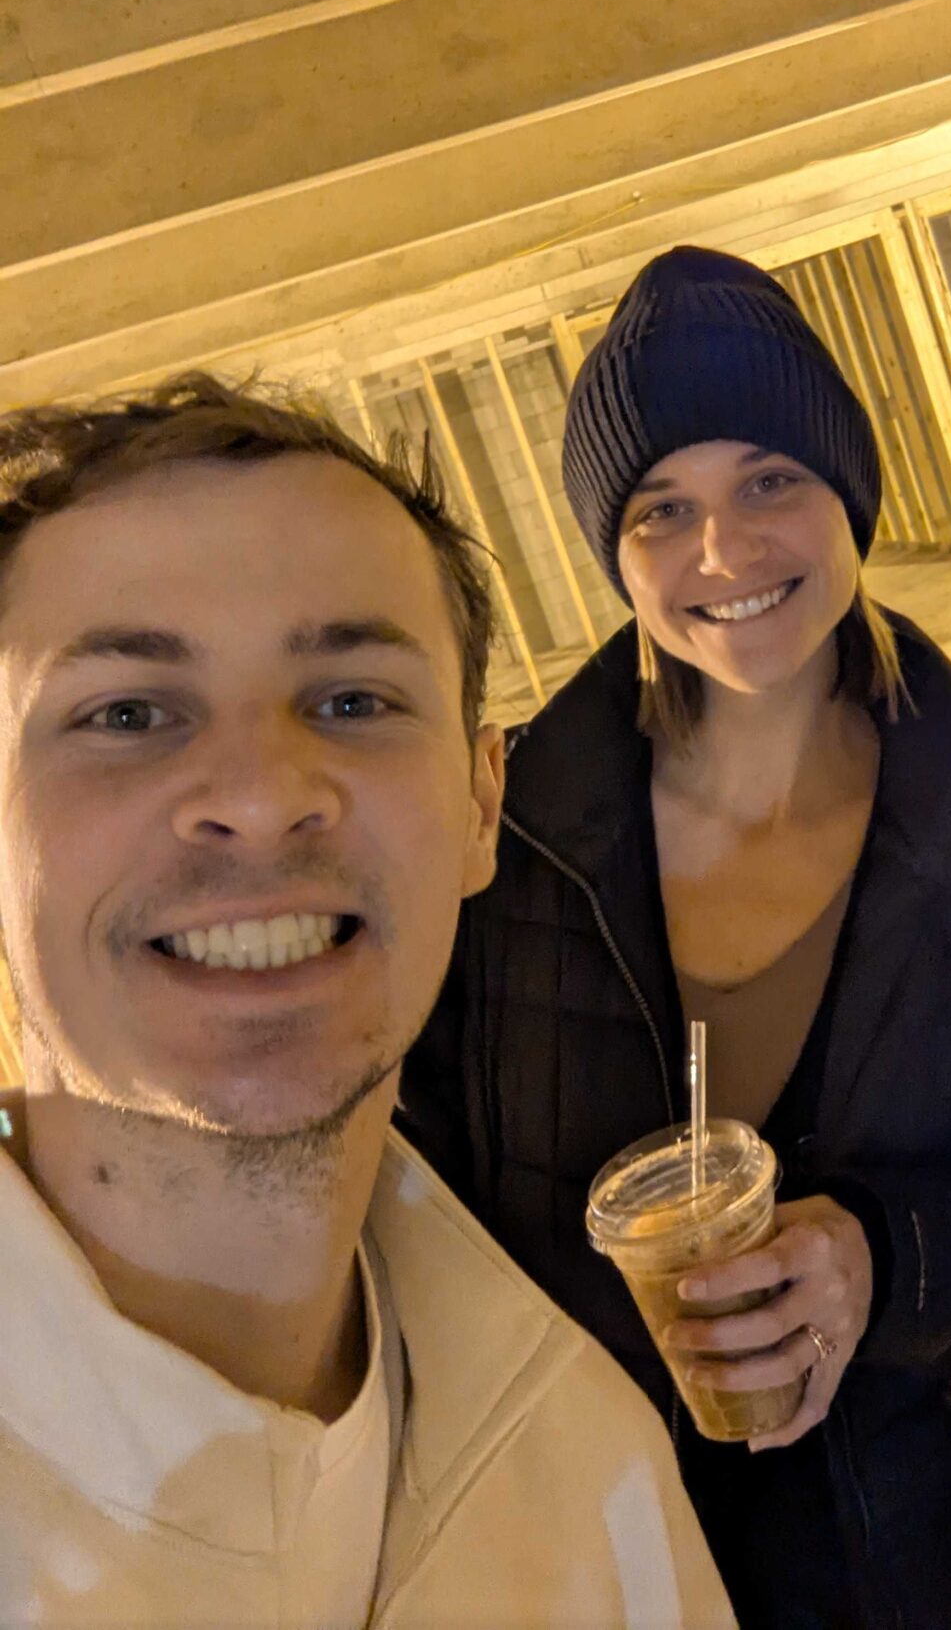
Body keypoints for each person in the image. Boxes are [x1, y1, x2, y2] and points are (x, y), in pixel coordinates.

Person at [399, 245, 951, 1630]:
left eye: (770, 482)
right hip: (587, 1563)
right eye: (661, 508)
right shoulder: (501, 840)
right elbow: (422, 1194)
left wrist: (881, 1259)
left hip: (911, 1563)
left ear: (845, 492)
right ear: (610, 548)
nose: (723, 552)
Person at [0, 375, 733, 1630]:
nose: (262, 788)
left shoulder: (594, 1459)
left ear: (481, 805)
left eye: (352, 700)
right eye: (125, 712)